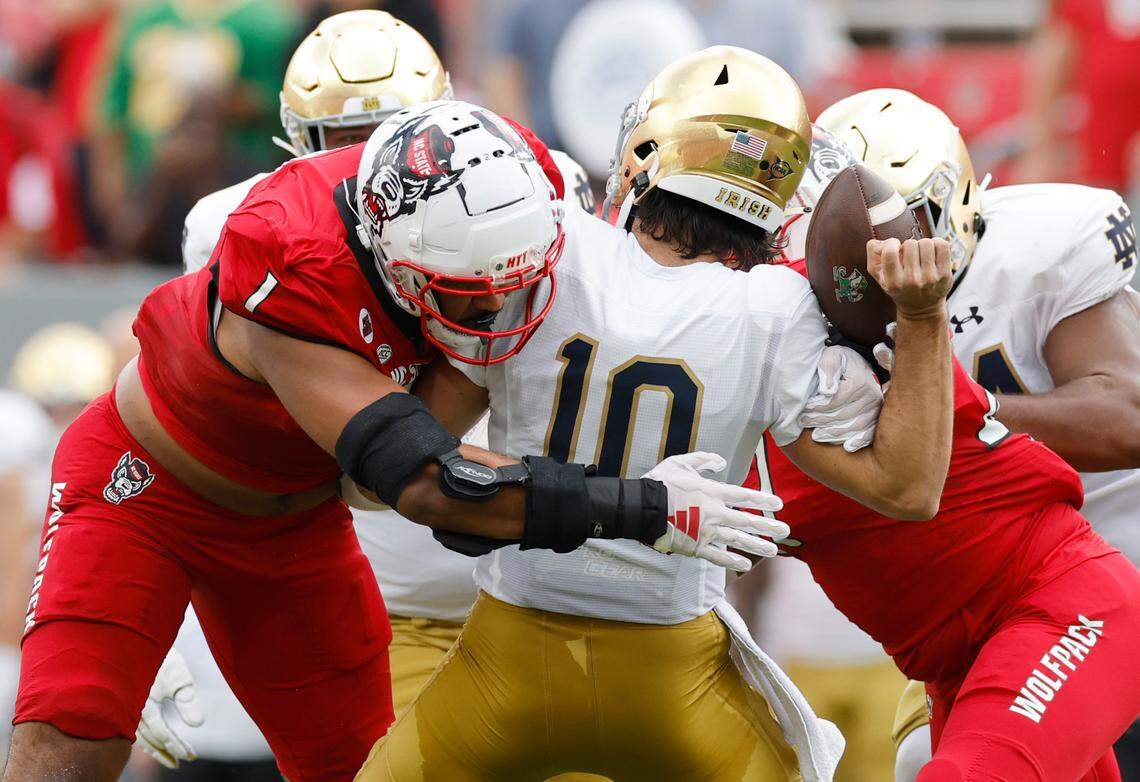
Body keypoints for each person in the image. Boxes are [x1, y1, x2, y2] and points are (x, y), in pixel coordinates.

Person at [3, 93, 776, 781]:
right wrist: (646, 507)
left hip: (293, 525)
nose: (498, 316)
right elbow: (427, 484)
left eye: (516, 285)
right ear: (392, 259)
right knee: (67, 747)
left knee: (363, 769)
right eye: (468, 299)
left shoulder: (518, 173)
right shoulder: (289, 259)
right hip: (147, 494)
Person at [357, 45, 957, 781]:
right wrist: (924, 319)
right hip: (672, 680)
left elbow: (397, 470)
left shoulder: (552, 248)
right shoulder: (777, 312)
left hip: (502, 665)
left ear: (647, 150)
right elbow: (908, 488)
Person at [160, 16, 598, 775]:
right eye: (347, 140)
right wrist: (154, 621)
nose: (373, 168)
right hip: (390, 600)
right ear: (300, 144)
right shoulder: (251, 231)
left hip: (544, 580)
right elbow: (196, 433)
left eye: (390, 134)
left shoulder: (538, 184)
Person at [740, 87, 1140, 782]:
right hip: (963, 633)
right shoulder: (801, 323)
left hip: (1088, 563)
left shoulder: (1034, 252)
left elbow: (1130, 419)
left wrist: (952, 405)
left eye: (895, 226)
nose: (874, 258)